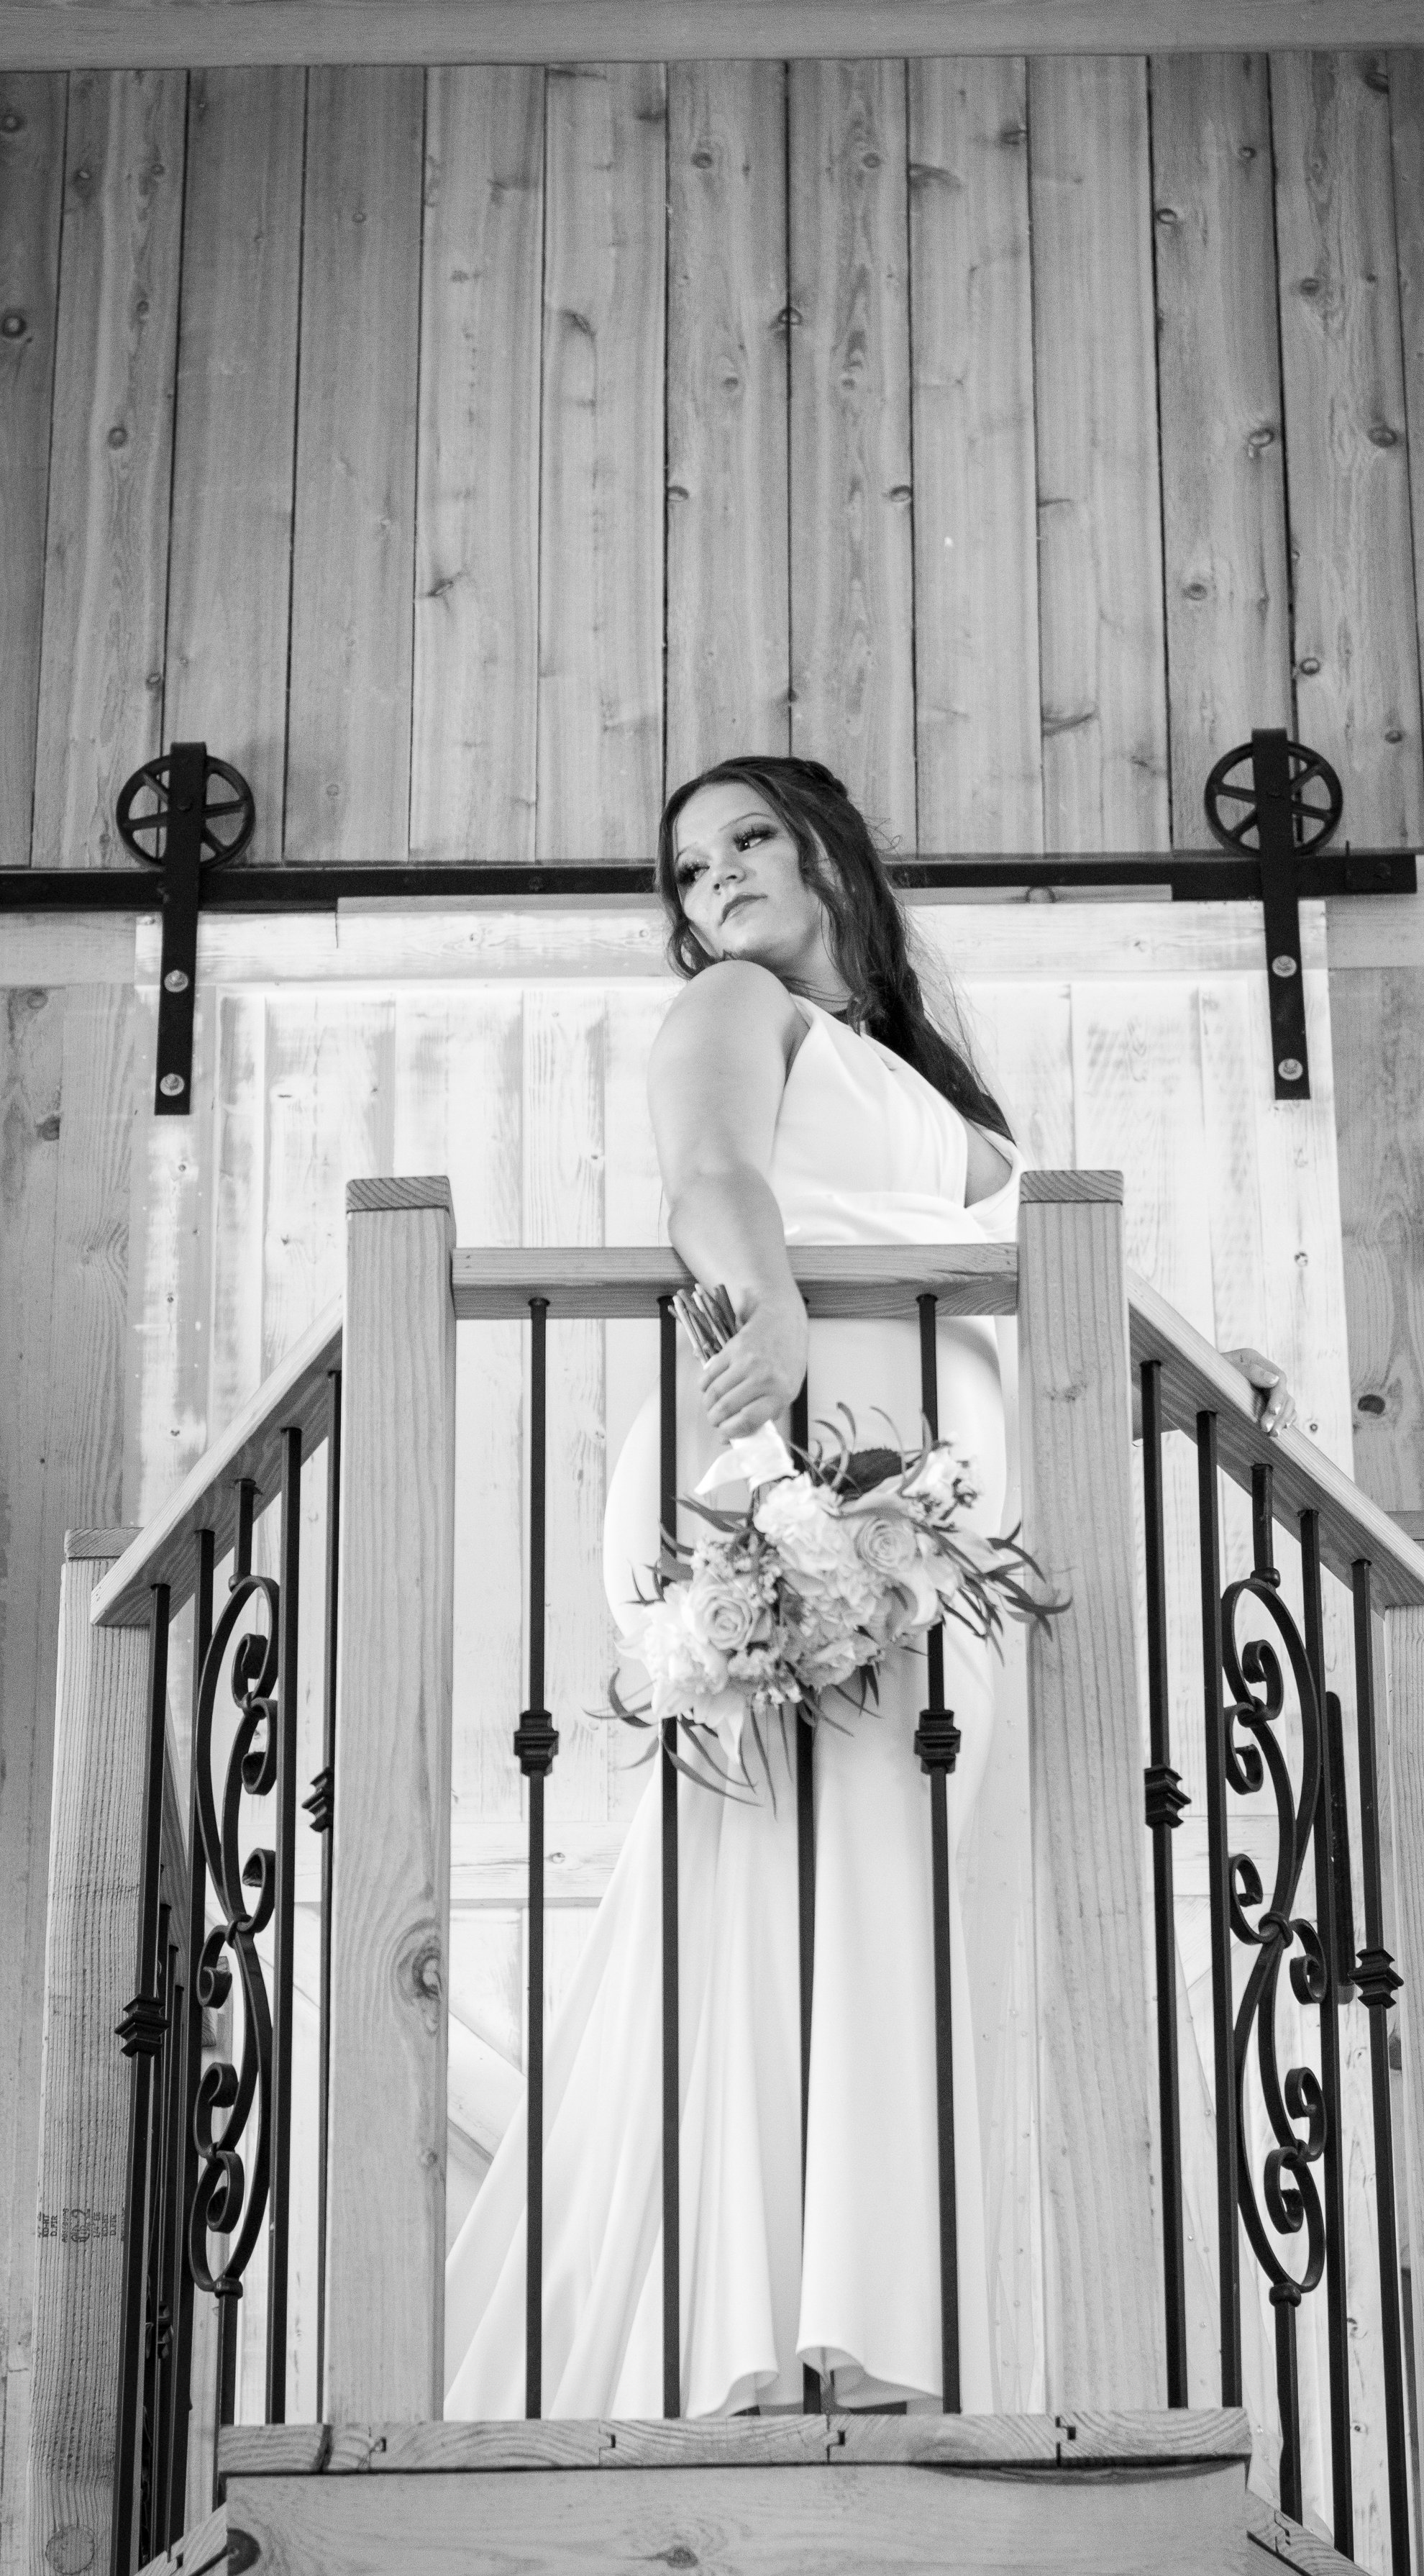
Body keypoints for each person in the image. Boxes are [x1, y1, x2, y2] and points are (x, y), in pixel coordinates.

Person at [444, 755, 1294, 2421]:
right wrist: (758, 1322)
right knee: (795, 1870)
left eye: (748, 840)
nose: (718, 885)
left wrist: (1205, 1357)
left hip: (954, 1515)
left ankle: (885, 2320)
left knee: (925, 1872)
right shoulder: (732, 1008)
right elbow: (711, 1177)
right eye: (687, 872)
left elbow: (1051, 1275)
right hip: (812, 1448)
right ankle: (785, 2340)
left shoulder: (920, 1083)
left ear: (828, 849)